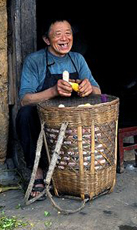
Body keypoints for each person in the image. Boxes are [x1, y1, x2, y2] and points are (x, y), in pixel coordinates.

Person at [17, 19, 100, 200]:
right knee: (25, 115)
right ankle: (38, 174)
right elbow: (24, 99)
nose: (64, 38)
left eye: (68, 33)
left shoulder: (77, 59)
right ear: (47, 40)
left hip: (72, 121)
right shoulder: (35, 61)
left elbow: (98, 91)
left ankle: (78, 174)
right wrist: (54, 91)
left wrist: (88, 89)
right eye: (58, 34)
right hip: (45, 122)